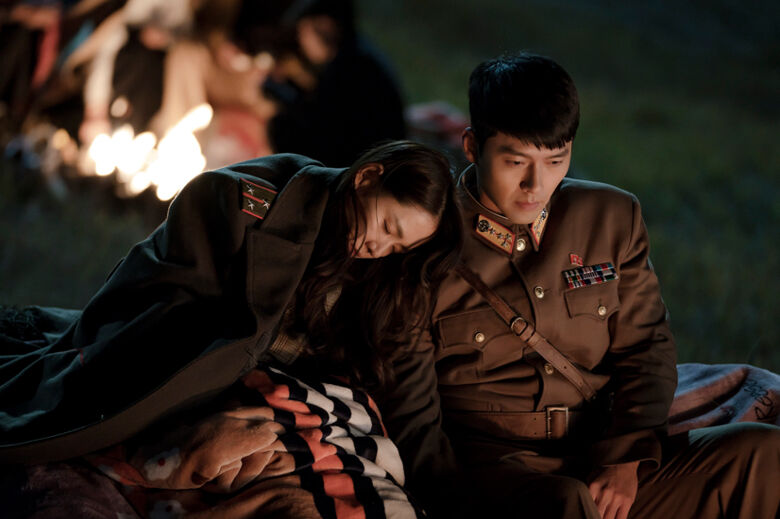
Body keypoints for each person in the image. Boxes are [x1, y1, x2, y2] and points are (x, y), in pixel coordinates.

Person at [377, 53, 780, 519]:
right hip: (498, 474)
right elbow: (414, 413)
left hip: (601, 457)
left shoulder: (610, 217)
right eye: (515, 161)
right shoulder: (426, 240)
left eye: (556, 160)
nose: (536, 184)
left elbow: (647, 347)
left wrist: (625, 457)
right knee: (565, 502)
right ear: (471, 146)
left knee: (760, 455)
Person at [0, 140, 462, 465]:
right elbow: (152, 302)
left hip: (276, 404)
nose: (380, 248)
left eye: (399, 247)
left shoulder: (386, 277)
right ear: (367, 178)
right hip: (179, 378)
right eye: (387, 226)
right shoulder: (239, 200)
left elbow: (400, 386)